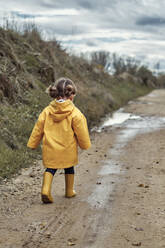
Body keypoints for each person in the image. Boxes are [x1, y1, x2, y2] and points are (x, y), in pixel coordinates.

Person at [27, 77, 91, 204]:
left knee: (50, 168)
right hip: (68, 148)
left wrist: (33, 143)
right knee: (69, 167)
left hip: (50, 148)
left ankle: (45, 190)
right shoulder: (75, 113)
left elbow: (38, 128)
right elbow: (81, 131)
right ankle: (69, 191)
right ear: (71, 95)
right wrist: (85, 145)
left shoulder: (47, 111)